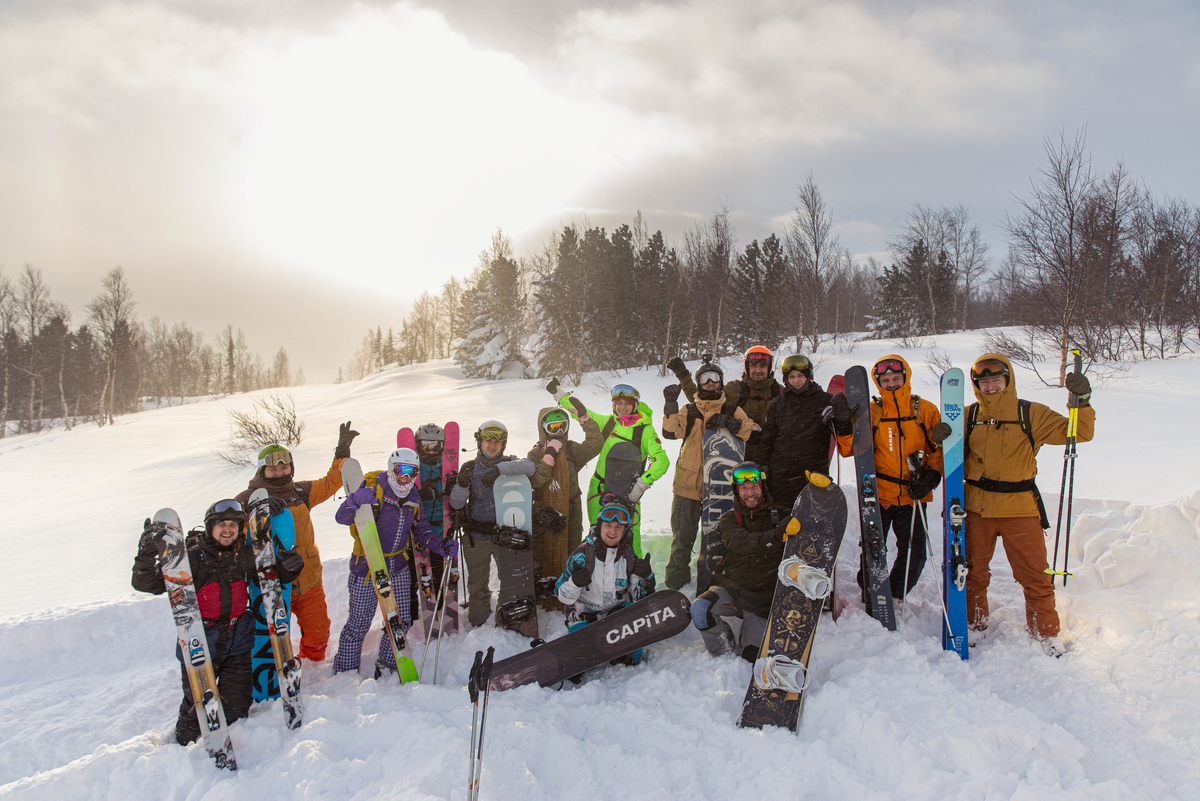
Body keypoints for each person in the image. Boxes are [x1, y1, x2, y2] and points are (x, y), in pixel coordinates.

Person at [131, 499, 304, 745]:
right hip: (201, 638)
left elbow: (269, 578)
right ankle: (184, 749)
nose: (228, 530)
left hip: (238, 638)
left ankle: (232, 743)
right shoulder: (191, 558)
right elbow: (147, 584)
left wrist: (289, 569)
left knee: (237, 702)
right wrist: (146, 553)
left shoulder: (244, 555)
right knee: (198, 704)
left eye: (233, 525)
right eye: (221, 524)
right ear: (210, 526)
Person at [963, 354, 1095, 657]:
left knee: (1035, 576)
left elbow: (1078, 432)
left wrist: (1083, 401)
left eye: (996, 379)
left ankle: (1045, 632)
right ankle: (974, 623)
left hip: (1019, 508)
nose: (990, 386)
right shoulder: (968, 416)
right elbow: (944, 455)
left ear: (1008, 380)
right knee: (972, 573)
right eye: (984, 381)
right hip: (977, 508)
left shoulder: (1030, 413)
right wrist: (940, 438)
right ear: (976, 384)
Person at [234, 421, 358, 662]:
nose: (280, 472)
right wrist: (256, 507)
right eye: (273, 469)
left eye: (284, 467)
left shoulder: (301, 492)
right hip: (271, 582)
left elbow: (331, 482)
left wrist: (341, 454)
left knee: (318, 633)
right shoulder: (245, 499)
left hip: (308, 578)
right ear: (261, 471)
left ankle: (312, 666)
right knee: (271, 639)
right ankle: (275, 671)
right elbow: (228, 530)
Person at [835, 355, 952, 600]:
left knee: (914, 553)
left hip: (913, 495)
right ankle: (870, 588)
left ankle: (896, 592)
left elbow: (938, 450)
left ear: (905, 378)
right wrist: (844, 427)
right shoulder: (872, 411)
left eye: (896, 378)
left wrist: (932, 477)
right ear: (878, 383)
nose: (891, 384)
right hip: (878, 494)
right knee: (873, 549)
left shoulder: (924, 410)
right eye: (885, 380)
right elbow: (849, 449)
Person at [333, 448, 458, 676]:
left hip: (398, 567)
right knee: (359, 624)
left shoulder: (412, 496)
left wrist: (440, 546)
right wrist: (353, 502)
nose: (406, 478)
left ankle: (388, 661)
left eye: (412, 472)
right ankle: (345, 670)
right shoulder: (374, 489)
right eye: (402, 470)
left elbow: (421, 530)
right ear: (392, 469)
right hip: (366, 568)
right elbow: (341, 518)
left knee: (400, 621)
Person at [660, 360, 760, 590]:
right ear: (698, 383)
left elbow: (754, 431)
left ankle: (717, 582)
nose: (710, 383)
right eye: (705, 379)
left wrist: (731, 423)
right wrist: (670, 405)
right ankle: (675, 585)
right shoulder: (689, 410)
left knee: (718, 540)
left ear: (721, 381)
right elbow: (670, 432)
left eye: (715, 378)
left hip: (719, 488)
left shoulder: (731, 410)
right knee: (682, 538)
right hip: (687, 485)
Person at [550, 381, 670, 554]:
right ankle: (595, 569)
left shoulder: (644, 430)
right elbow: (581, 413)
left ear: (635, 405)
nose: (622, 407)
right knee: (597, 535)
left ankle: (633, 571)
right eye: (619, 403)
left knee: (629, 538)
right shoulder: (609, 423)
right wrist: (559, 394)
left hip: (628, 494)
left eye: (627, 403)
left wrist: (640, 485)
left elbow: (662, 461)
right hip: (599, 490)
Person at [690, 463, 789, 661]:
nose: (749, 493)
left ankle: (746, 650)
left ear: (762, 487)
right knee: (700, 609)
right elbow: (739, 542)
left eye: (754, 487)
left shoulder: (782, 516)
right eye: (743, 488)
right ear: (737, 491)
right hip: (734, 589)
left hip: (763, 601)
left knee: (750, 658)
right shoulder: (729, 519)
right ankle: (724, 655)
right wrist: (775, 537)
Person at [448, 421, 537, 628]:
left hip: (504, 537)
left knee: (510, 580)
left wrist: (500, 469)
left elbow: (530, 467)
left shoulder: (510, 463)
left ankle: (507, 617)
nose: (492, 445)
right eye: (488, 440)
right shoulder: (470, 468)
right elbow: (456, 504)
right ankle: (479, 622)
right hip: (476, 537)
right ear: (479, 441)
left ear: (503, 444)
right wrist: (461, 484)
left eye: (498, 441)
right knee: (477, 584)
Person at [554, 495, 656, 665]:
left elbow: (639, 598)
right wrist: (574, 583)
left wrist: (647, 578)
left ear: (624, 530)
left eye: (618, 527)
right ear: (600, 526)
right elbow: (561, 596)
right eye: (608, 526)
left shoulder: (628, 557)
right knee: (580, 654)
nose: (612, 532)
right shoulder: (580, 556)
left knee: (633, 655)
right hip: (584, 613)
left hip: (616, 613)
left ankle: (620, 652)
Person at [757, 355, 853, 511]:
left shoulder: (825, 401)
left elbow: (842, 435)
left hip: (813, 473)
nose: (796, 380)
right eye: (792, 377)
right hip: (781, 476)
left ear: (809, 377)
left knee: (812, 516)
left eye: (800, 376)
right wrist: (762, 465)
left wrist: (843, 420)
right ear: (786, 379)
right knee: (783, 519)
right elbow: (767, 439)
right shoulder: (777, 404)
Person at [667, 346, 781, 462]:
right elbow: (704, 402)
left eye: (762, 366)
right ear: (747, 367)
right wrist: (684, 377)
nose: (758, 370)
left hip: (772, 459)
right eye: (753, 366)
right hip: (737, 460)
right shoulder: (735, 390)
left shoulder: (779, 393)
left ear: (769, 367)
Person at [528, 404, 604, 553]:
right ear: (544, 428)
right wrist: (547, 459)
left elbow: (595, 443)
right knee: (545, 553)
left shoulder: (572, 450)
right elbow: (535, 482)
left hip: (572, 510)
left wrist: (585, 419)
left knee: (572, 550)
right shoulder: (535, 454)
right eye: (554, 427)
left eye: (563, 426)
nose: (559, 432)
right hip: (545, 512)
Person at [411, 423, 452, 609]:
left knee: (437, 572)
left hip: (439, 532)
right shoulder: (412, 468)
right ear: (419, 446)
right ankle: (412, 613)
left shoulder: (446, 468)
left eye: (435, 446)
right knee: (413, 576)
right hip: (415, 533)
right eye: (426, 446)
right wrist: (418, 494)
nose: (431, 450)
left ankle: (440, 607)